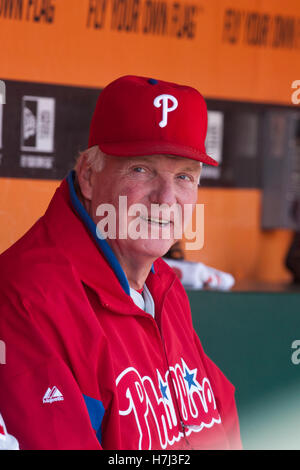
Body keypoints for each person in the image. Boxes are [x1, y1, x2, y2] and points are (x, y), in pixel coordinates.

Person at [0, 75, 242, 450]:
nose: (165, 199)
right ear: (89, 176)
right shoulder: (27, 298)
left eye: (183, 177)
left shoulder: (163, 285)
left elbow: (218, 421)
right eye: (141, 169)